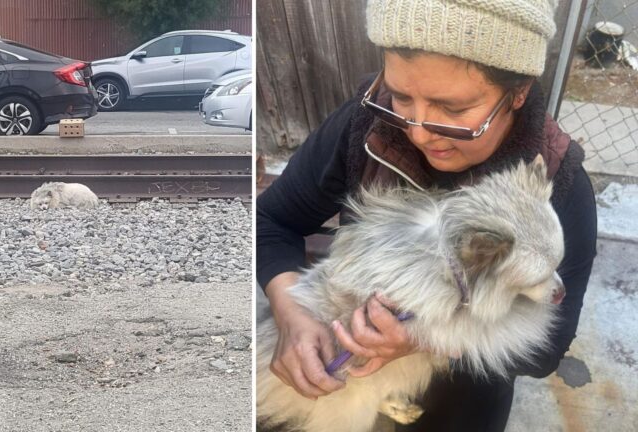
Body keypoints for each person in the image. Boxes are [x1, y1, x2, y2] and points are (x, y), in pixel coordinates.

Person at [256, 0, 598, 430]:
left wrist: (425, 341)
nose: (417, 132)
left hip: (465, 392)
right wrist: (292, 315)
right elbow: (270, 221)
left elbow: (549, 349)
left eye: (453, 111)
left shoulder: (558, 180)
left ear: (519, 92)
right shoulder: (367, 122)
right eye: (401, 96)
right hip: (334, 378)